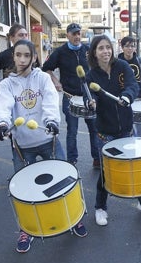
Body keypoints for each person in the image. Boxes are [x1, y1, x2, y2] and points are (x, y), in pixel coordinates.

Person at [0, 39, 87, 252]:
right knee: (23, 191)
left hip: (47, 140)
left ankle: (74, 217)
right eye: (18, 55)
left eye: (27, 55)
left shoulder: (43, 78)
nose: (22, 59)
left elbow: (50, 102)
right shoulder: (7, 84)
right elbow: (3, 107)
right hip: (22, 144)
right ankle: (26, 229)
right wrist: (1, 125)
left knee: (66, 181)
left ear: (34, 57)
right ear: (13, 56)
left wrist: (52, 121)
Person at [86, 35, 141, 226]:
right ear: (94, 53)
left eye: (107, 47)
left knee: (134, 167)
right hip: (105, 132)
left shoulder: (122, 66)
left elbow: (133, 85)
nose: (105, 51)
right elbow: (89, 96)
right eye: (100, 48)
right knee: (107, 172)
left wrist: (127, 96)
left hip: (126, 129)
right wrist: (91, 103)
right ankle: (100, 208)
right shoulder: (91, 75)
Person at [41, 23, 100, 167]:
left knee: (94, 129)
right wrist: (55, 81)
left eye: (79, 33)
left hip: (88, 97)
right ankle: (72, 160)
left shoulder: (87, 50)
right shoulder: (60, 52)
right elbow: (46, 69)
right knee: (72, 131)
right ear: (67, 35)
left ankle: (97, 158)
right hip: (70, 96)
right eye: (74, 34)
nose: (77, 36)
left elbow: (97, 68)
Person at [117, 36, 141, 137]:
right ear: (122, 47)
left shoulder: (139, 61)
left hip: (138, 97)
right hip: (122, 98)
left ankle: (140, 148)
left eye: (132, 46)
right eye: (127, 46)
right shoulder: (116, 62)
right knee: (127, 128)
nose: (130, 48)